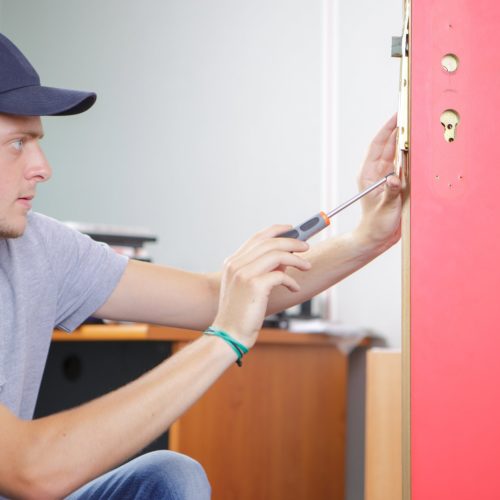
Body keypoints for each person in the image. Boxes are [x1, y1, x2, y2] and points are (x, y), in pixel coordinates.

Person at [0, 32, 402, 499]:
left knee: (169, 476)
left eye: (38, 141)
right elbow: (30, 471)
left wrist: (367, 238)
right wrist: (222, 342)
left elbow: (217, 299)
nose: (42, 167)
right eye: (17, 143)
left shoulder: (36, 246)